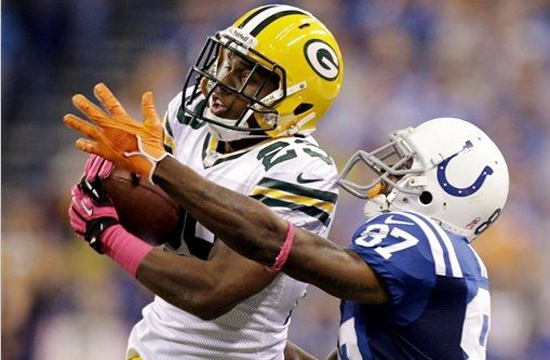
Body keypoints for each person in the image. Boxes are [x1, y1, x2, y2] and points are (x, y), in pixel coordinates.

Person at [66, 93, 509, 359]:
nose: (386, 172)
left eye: (406, 165)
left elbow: (288, 247)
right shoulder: (434, 271)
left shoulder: (429, 243)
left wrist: (161, 169)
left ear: (448, 187)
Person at [66, 4, 344, 360]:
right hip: (151, 345)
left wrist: (106, 233)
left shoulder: (302, 170)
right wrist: (110, 180)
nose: (223, 80)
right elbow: (160, 211)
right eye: (228, 61)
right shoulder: (191, 115)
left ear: (297, 99)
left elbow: (212, 291)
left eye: (250, 74)